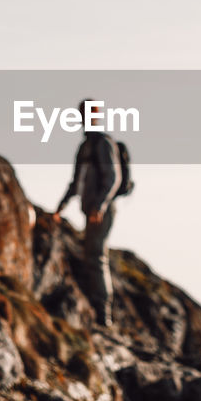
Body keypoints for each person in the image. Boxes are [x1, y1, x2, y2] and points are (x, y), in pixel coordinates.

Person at [52, 100, 127, 326]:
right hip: (91, 210)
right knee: (91, 255)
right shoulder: (85, 146)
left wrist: (100, 205)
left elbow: (114, 178)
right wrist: (61, 206)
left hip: (101, 211)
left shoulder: (103, 143)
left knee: (95, 256)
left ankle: (103, 314)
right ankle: (97, 309)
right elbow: (76, 182)